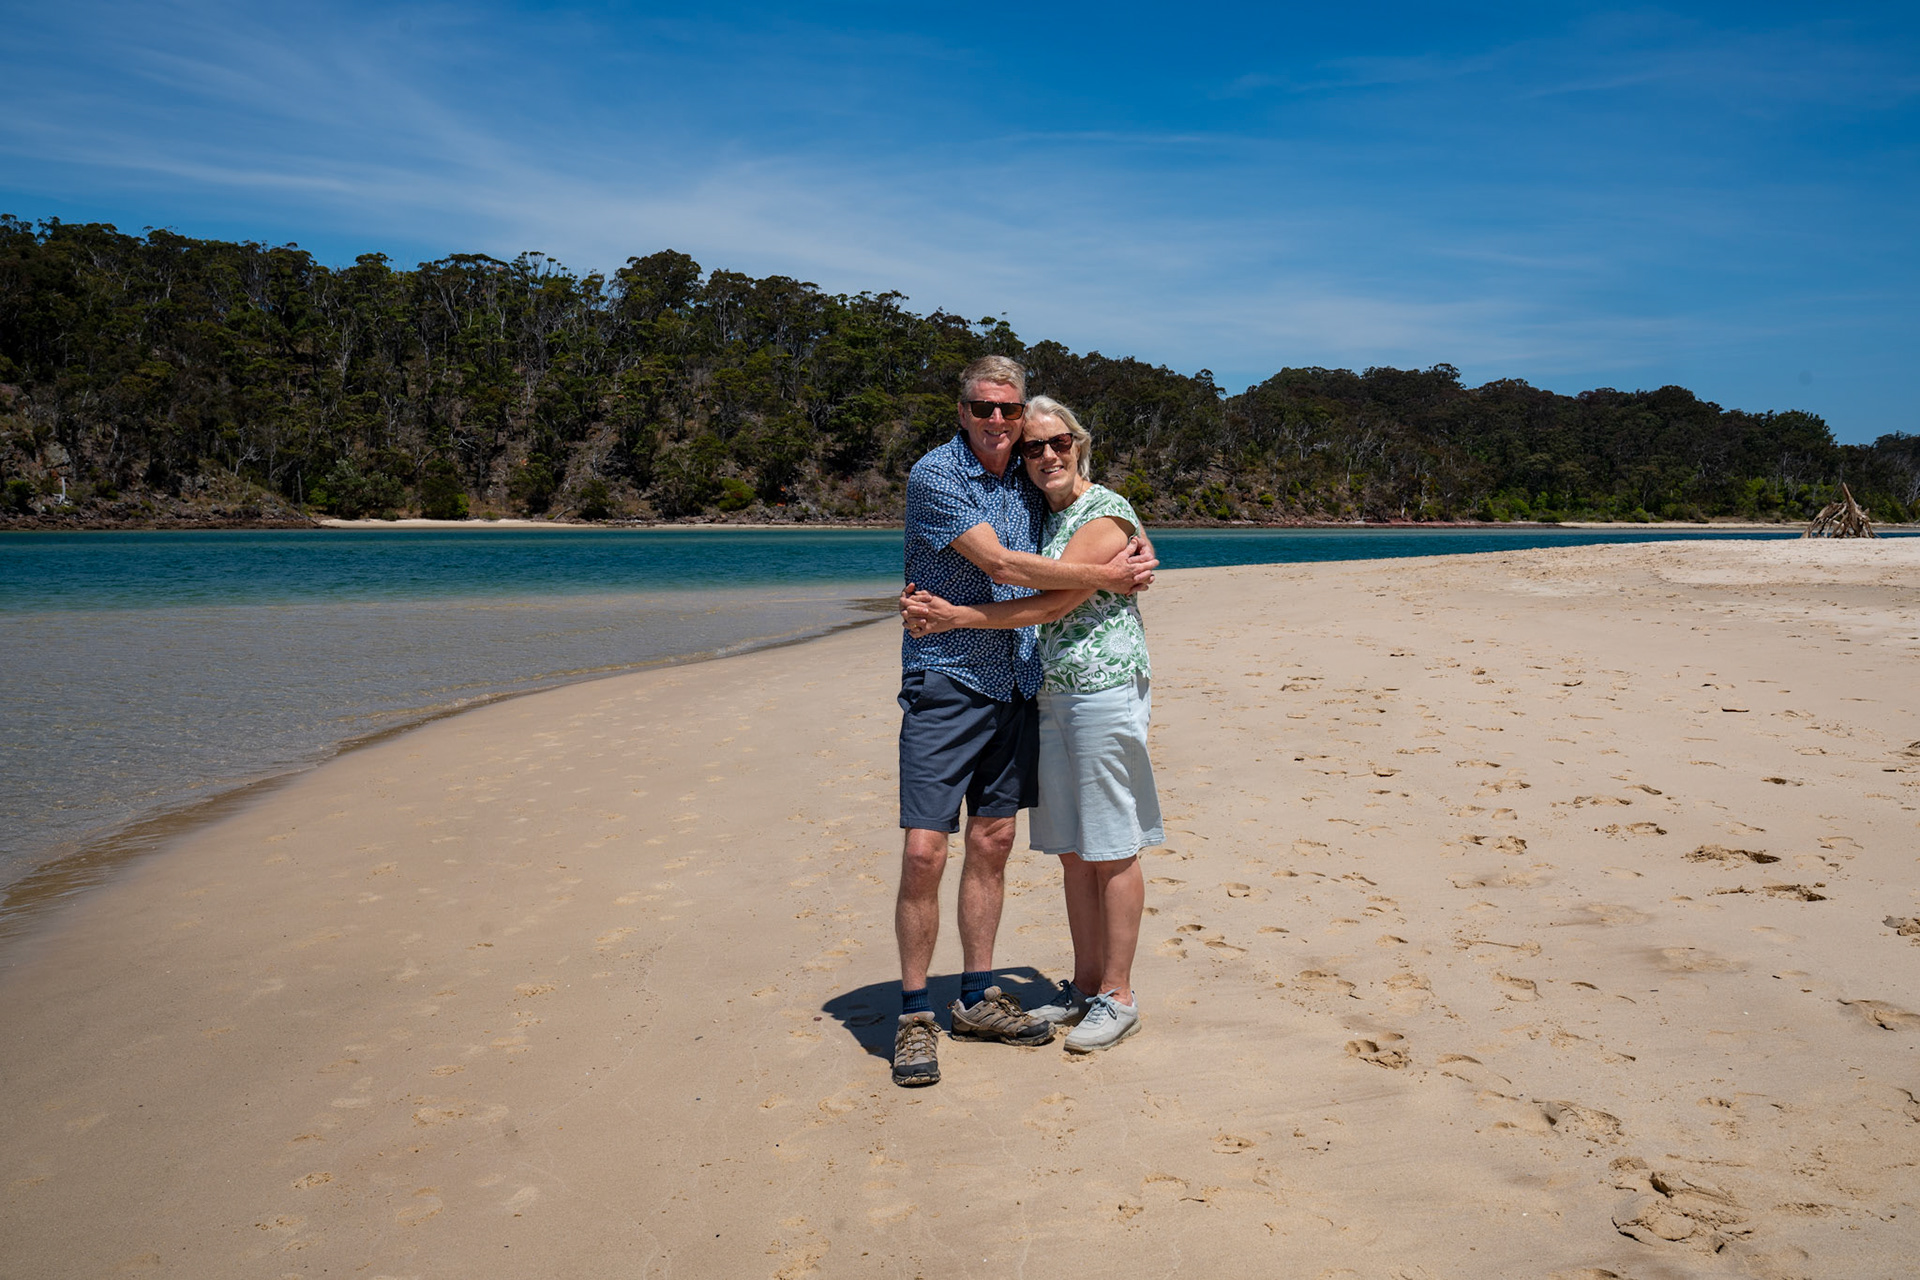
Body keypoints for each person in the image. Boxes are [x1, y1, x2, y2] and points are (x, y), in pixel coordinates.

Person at [891, 357, 1156, 1087]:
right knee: (924, 849)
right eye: (988, 409)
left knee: (996, 839)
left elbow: (1081, 544)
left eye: (1019, 416)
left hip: (1020, 682)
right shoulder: (937, 476)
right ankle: (915, 1014)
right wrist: (1112, 573)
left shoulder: (1037, 482)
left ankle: (978, 996)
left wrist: (1126, 543)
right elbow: (1010, 567)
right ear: (962, 409)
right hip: (949, 678)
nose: (1007, 427)